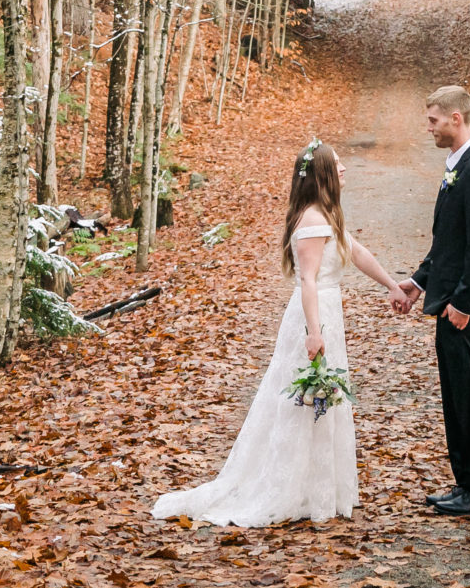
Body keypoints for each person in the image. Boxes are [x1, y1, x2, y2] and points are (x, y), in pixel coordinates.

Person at [152, 141, 409, 526]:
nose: (344, 170)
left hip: (326, 314)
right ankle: (293, 487)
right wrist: (313, 332)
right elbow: (307, 280)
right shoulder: (310, 220)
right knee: (302, 398)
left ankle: (318, 485)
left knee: (322, 397)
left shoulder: (327, 214)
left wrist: (391, 284)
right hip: (314, 316)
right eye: (337, 165)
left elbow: (355, 253)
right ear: (322, 173)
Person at [391, 85, 470, 515]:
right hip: (450, 304)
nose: (429, 128)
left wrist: (463, 302)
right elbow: (448, 243)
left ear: (457, 119)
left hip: (464, 311)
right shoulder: (457, 166)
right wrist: (420, 281)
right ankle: (466, 483)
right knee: (456, 397)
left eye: (434, 120)